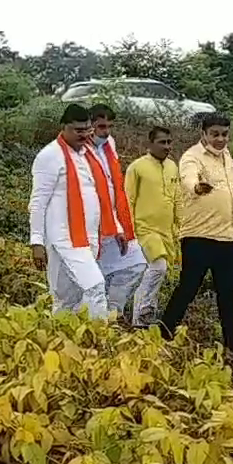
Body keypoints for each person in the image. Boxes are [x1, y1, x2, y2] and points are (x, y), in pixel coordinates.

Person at [157, 113, 233, 364]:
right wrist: (197, 187)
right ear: (203, 134)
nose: (220, 139)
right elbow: (188, 180)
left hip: (228, 238)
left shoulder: (227, 157)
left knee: (229, 294)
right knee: (187, 289)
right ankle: (162, 336)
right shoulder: (192, 157)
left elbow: (232, 194)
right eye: (215, 134)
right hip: (199, 238)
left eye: (224, 134)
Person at [28, 104, 123, 320]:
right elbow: (38, 202)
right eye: (78, 130)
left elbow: (103, 193)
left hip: (88, 237)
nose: (84, 135)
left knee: (66, 298)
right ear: (64, 127)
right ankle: (98, 340)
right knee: (95, 286)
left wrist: (115, 226)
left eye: (87, 129)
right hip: (64, 238)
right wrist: (36, 242)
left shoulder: (88, 154)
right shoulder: (50, 156)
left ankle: (60, 341)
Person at [89, 104, 148, 322]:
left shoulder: (108, 144)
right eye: (101, 126)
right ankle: (97, 318)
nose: (105, 132)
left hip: (114, 219)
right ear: (89, 125)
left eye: (109, 126)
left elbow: (112, 184)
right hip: (91, 223)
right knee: (93, 275)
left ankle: (113, 310)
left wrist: (118, 223)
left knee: (136, 262)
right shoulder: (80, 149)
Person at [124, 126, 180, 326]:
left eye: (169, 142)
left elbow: (177, 199)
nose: (167, 146)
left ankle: (146, 317)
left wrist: (180, 227)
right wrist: (128, 231)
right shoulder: (137, 167)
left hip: (166, 232)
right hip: (144, 230)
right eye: (162, 142)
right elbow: (127, 200)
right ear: (149, 144)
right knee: (158, 267)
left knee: (155, 271)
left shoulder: (173, 167)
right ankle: (141, 315)